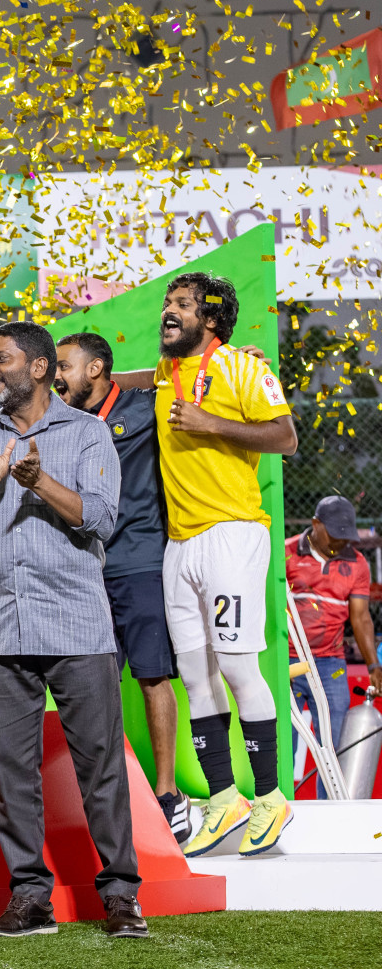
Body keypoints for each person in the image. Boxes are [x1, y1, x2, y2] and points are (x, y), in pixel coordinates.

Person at [0, 321, 145, 940]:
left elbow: (100, 518)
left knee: (99, 766)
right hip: (1, 624)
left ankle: (122, 898)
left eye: (0, 359)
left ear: (39, 368)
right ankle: (29, 899)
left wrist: (37, 483)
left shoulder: (87, 434)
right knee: (13, 773)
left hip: (77, 623)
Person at [115, 272, 299, 858]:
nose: (169, 311)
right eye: (168, 302)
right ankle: (224, 798)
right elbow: (131, 380)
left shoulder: (245, 368)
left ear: (212, 320)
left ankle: (270, 795)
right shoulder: (168, 373)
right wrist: (85, 376)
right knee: (195, 676)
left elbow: (286, 437)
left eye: (183, 305)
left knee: (240, 669)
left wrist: (211, 424)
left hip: (231, 535)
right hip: (181, 543)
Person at [54, 332, 189, 842]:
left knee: (154, 677)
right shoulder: (60, 420)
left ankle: (167, 793)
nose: (56, 375)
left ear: (95, 370)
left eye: (65, 365)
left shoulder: (145, 404)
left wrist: (240, 361)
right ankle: (105, 796)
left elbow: (180, 378)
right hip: (83, 568)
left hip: (140, 563)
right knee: (94, 684)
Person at [286, 496, 381, 797]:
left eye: (346, 536)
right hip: (285, 661)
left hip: (331, 665)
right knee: (282, 741)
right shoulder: (285, 553)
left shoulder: (357, 563)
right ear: (316, 525)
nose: (341, 543)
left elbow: (361, 617)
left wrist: (373, 666)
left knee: (337, 743)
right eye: (335, 535)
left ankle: (330, 812)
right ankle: (279, 807)